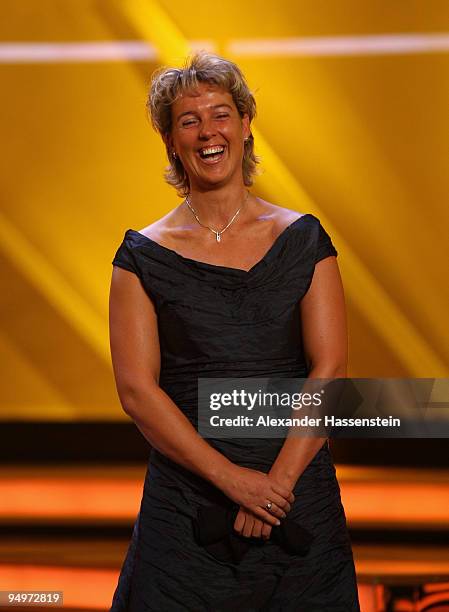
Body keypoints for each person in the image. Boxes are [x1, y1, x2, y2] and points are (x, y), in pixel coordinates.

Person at [109, 51, 360, 611]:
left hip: (298, 501)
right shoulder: (140, 257)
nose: (207, 132)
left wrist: (275, 488)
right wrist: (233, 481)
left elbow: (330, 370)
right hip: (188, 511)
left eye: (220, 114)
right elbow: (137, 392)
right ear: (171, 142)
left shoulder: (304, 239)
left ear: (246, 126)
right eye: (188, 121)